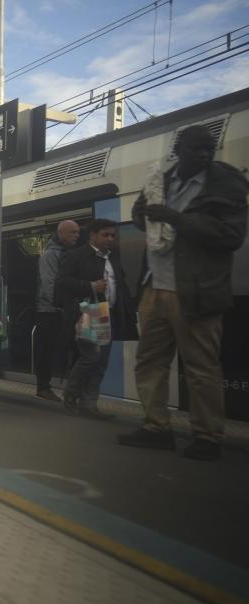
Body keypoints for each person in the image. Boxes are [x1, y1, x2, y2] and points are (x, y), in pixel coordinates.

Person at [117, 125, 248, 461]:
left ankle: (208, 436)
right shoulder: (162, 180)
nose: (204, 154)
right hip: (154, 284)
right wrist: (144, 214)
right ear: (179, 149)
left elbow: (231, 235)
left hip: (196, 289)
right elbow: (139, 216)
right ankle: (156, 427)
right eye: (196, 148)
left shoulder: (226, 183)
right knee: (149, 361)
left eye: (209, 148)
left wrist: (176, 218)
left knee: (201, 366)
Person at [56, 218, 137, 419]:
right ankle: (71, 395)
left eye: (112, 235)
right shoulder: (76, 255)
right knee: (91, 357)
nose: (110, 239)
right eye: (105, 235)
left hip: (109, 313)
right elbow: (62, 283)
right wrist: (90, 286)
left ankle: (89, 404)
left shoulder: (113, 257)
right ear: (92, 235)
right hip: (88, 311)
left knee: (101, 362)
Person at [33, 219, 80, 401]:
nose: (76, 235)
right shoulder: (50, 255)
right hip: (49, 310)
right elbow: (49, 283)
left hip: (63, 308)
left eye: (77, 232)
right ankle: (43, 387)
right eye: (72, 232)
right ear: (60, 233)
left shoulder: (69, 253)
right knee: (47, 349)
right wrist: (61, 305)